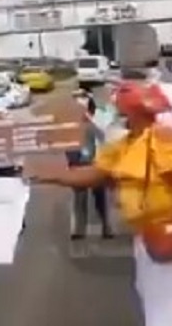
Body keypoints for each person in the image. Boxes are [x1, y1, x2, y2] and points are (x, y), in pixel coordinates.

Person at [31, 80, 172, 326]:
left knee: (164, 304)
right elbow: (93, 174)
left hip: (170, 228)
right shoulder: (124, 145)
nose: (117, 114)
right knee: (149, 294)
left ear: (133, 112)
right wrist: (52, 176)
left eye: (121, 110)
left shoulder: (166, 139)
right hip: (144, 231)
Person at [70, 89, 114, 239]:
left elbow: (103, 136)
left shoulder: (96, 117)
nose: (79, 101)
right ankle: (78, 230)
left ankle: (106, 227)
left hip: (96, 163)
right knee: (79, 198)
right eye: (75, 98)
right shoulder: (69, 121)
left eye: (82, 98)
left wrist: (88, 119)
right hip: (77, 164)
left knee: (100, 197)